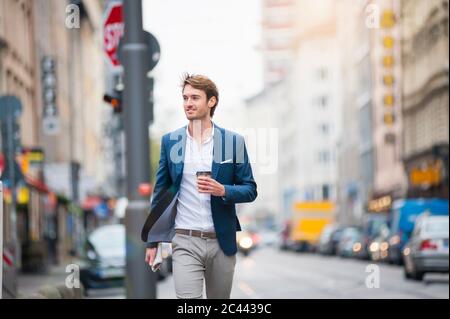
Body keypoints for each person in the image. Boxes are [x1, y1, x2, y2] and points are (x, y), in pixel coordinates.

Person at [143, 73, 257, 299]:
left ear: (211, 101)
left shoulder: (232, 142)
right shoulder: (171, 141)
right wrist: (152, 240)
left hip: (221, 241)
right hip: (185, 240)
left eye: (195, 98)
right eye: (185, 98)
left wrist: (223, 190)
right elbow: (161, 192)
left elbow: (250, 189)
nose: (188, 103)